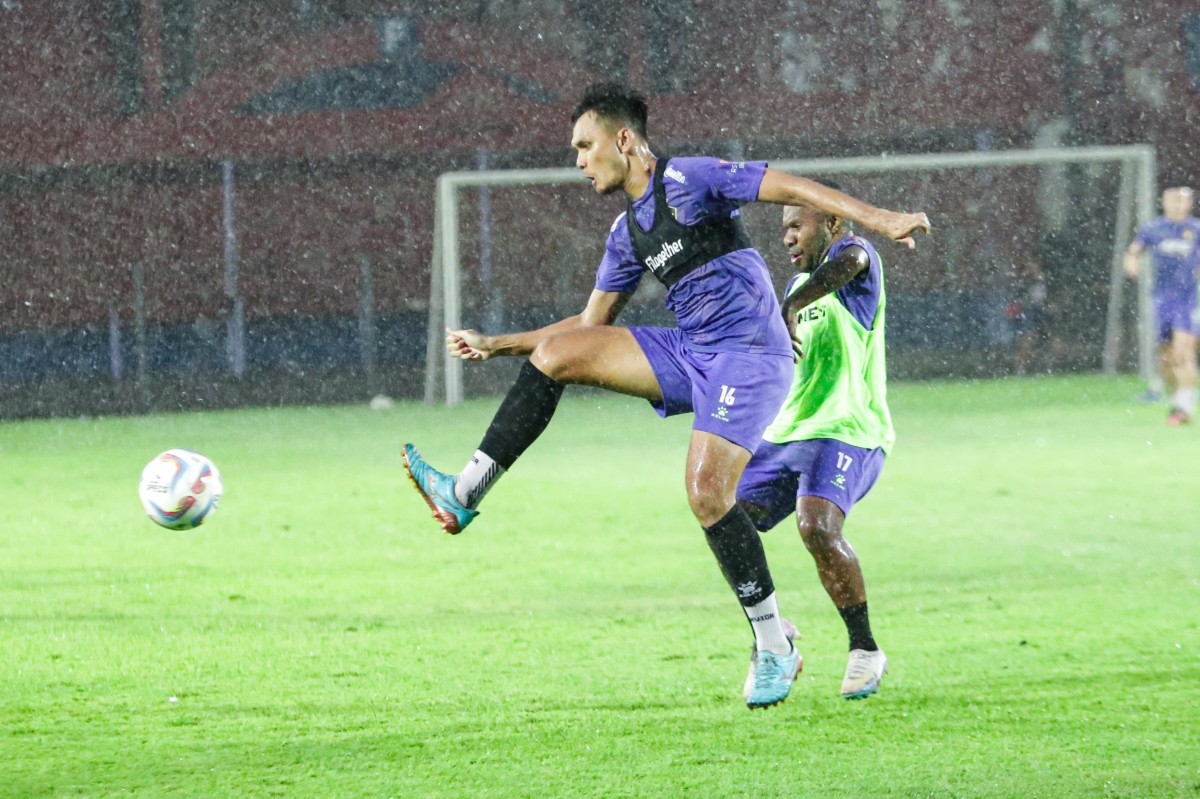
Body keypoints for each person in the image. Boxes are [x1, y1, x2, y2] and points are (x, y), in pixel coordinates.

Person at [403, 82, 930, 709]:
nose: (578, 160)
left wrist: (882, 219)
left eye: (584, 145)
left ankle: (774, 646)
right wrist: (499, 344)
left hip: (750, 356)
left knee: (708, 494)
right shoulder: (627, 235)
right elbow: (588, 325)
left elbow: (792, 187)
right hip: (692, 350)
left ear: (624, 141)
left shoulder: (691, 179)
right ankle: (464, 491)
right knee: (557, 355)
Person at [737, 191, 894, 701]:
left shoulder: (856, 265)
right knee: (725, 516)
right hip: (789, 432)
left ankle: (864, 648)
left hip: (849, 429)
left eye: (794, 225)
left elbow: (853, 258)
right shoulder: (796, 286)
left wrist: (793, 303)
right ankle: (772, 634)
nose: (786, 236)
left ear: (830, 222)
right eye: (782, 228)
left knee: (816, 528)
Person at [1124, 186, 1200, 425]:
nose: (1177, 205)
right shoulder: (1153, 228)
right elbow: (1134, 251)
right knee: (1166, 358)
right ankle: (1178, 398)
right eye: (1172, 200)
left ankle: (1183, 407)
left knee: (1183, 354)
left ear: (1189, 204)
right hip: (1161, 300)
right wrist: (1132, 262)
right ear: (1165, 202)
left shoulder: (1196, 229)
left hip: (1187, 300)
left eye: (1182, 201)